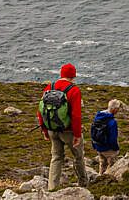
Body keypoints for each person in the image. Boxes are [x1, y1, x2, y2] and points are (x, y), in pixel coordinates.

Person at [36, 63, 88, 191]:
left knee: (56, 157)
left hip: (52, 129)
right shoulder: (74, 90)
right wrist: (77, 135)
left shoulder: (49, 87)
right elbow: (76, 115)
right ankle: (83, 184)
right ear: (73, 76)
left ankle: (52, 188)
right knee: (78, 156)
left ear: (61, 74)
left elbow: (41, 111)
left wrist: (44, 130)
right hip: (68, 131)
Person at [90, 99, 121, 174]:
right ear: (114, 109)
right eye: (117, 109)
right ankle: (106, 179)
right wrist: (116, 149)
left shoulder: (98, 117)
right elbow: (113, 139)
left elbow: (92, 131)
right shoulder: (112, 122)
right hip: (108, 149)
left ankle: (100, 177)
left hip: (98, 145)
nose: (118, 110)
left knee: (102, 163)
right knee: (112, 165)